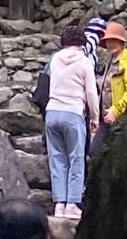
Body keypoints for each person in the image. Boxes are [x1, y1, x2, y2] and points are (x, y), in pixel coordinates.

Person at [42, 31, 102, 215]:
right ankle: (72, 204)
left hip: (52, 112)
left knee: (57, 159)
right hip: (73, 112)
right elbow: (91, 93)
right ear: (82, 43)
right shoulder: (85, 62)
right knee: (76, 159)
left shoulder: (54, 60)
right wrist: (94, 117)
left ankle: (59, 203)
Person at [97, 18, 127, 125]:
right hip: (105, 118)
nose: (110, 44)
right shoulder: (110, 60)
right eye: (108, 40)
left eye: (114, 40)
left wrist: (116, 110)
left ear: (121, 42)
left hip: (120, 121)